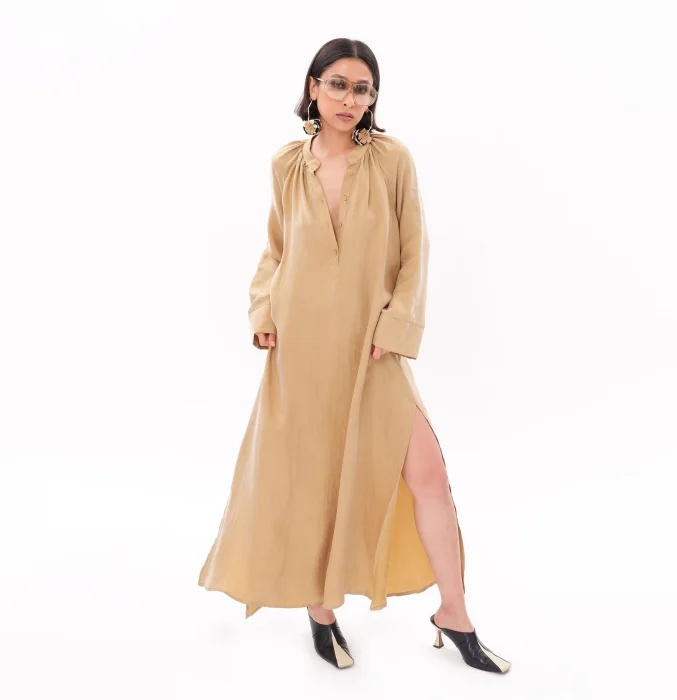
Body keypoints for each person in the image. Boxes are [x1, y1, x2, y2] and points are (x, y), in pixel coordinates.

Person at [197, 38, 511, 674]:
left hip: (373, 348)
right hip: (301, 350)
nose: (349, 99)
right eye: (338, 84)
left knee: (428, 475)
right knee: (316, 480)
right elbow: (276, 249)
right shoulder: (287, 164)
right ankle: (321, 613)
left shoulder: (392, 159)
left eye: (362, 89)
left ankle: (454, 612)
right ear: (313, 87)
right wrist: (262, 313)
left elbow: (415, 249)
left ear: (373, 98)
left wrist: (396, 326)